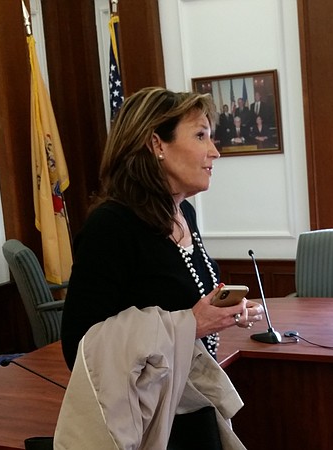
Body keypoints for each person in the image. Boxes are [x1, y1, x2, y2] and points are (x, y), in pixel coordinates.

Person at [60, 87, 263, 449]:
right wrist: (190, 323)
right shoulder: (110, 226)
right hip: (149, 423)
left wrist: (220, 313)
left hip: (195, 405)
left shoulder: (184, 213)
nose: (214, 151)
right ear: (157, 144)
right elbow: (80, 347)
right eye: (200, 136)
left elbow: (185, 299)